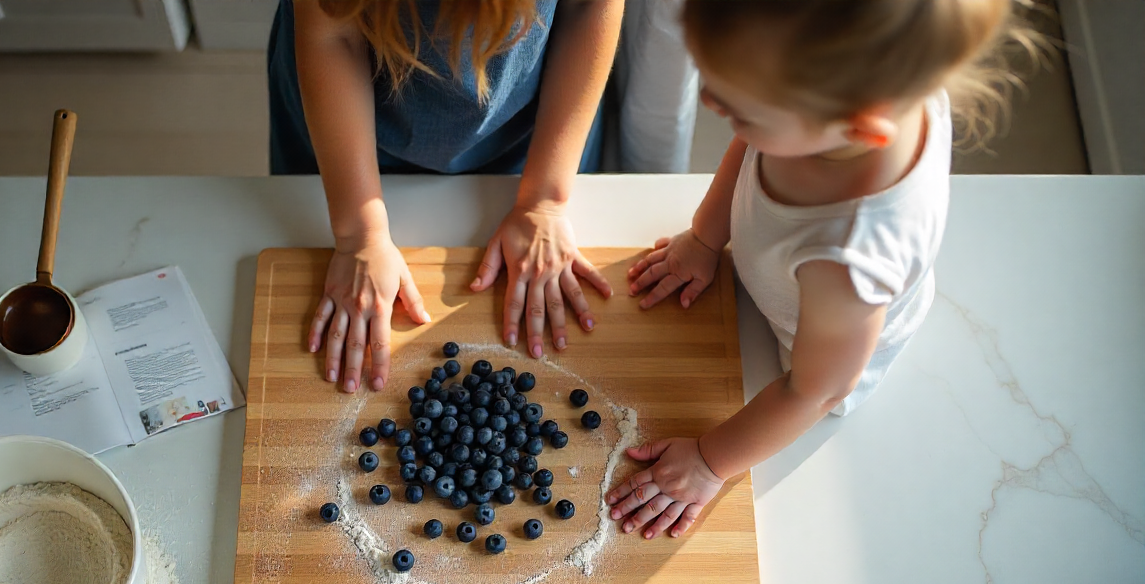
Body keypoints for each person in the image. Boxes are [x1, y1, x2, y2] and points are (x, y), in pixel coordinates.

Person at [608, 0, 1040, 538]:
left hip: (806, 358)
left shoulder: (851, 259)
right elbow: (751, 147)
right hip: (782, 281)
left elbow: (817, 392)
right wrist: (703, 237)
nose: (709, 101)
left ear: (862, 127)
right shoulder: (830, 97)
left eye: (741, 108)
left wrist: (708, 460)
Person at [269, 0, 623, 394]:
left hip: (529, 132)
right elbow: (333, 35)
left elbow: (589, 9)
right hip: (347, 131)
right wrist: (359, 235)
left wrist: (545, 200)